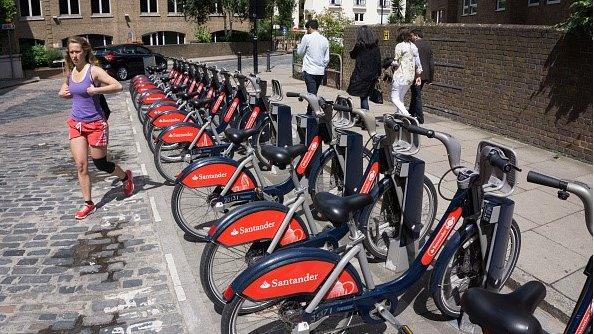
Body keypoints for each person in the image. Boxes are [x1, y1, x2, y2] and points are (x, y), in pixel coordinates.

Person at [58, 36, 134, 220]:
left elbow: (117, 86)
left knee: (100, 164)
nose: (74, 55)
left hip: (96, 124)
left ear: (85, 51)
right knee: (81, 165)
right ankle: (88, 203)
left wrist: (96, 90)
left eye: (77, 51)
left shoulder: (94, 71)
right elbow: (65, 89)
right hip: (76, 124)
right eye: (71, 52)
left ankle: (125, 177)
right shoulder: (70, 72)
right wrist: (62, 93)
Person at [346, 25, 382, 110]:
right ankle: (364, 116)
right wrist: (378, 74)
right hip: (372, 75)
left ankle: (366, 117)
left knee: (363, 97)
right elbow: (378, 61)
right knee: (364, 96)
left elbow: (353, 55)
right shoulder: (375, 46)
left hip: (362, 74)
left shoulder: (360, 45)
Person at [390, 28, 422, 116]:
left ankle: (406, 114)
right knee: (401, 97)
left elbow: (396, 62)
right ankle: (399, 113)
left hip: (400, 75)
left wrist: (389, 62)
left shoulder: (399, 46)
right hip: (410, 77)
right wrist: (418, 76)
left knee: (394, 98)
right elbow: (418, 63)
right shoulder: (414, 46)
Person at [297, 20, 330, 99]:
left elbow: (300, 53)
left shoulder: (307, 37)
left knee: (312, 95)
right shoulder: (324, 39)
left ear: (310, 27)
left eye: (307, 29)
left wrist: (299, 45)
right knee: (313, 93)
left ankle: (313, 111)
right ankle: (310, 111)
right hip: (320, 71)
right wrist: (322, 66)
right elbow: (326, 58)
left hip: (309, 70)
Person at [408, 29, 434, 124]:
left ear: (416, 35)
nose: (411, 38)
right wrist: (430, 78)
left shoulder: (414, 46)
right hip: (425, 75)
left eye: (412, 36)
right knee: (415, 94)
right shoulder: (428, 46)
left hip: (416, 75)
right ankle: (410, 113)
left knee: (417, 95)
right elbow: (431, 63)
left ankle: (420, 117)